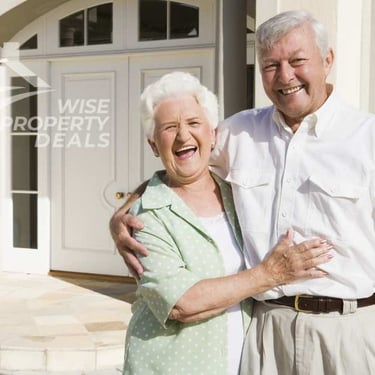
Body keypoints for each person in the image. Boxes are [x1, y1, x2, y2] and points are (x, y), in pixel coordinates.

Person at [110, 10, 375, 374]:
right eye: (270, 65)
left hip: (345, 333)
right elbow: (184, 163)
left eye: (297, 61)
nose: (285, 76)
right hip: (263, 332)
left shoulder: (367, 139)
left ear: (327, 60)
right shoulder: (238, 133)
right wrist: (127, 209)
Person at [120, 71, 332, 375]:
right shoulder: (145, 216)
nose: (183, 136)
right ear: (154, 144)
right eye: (169, 127)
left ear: (213, 133)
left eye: (193, 123)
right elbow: (182, 303)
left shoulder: (238, 194)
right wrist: (269, 274)